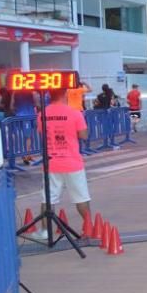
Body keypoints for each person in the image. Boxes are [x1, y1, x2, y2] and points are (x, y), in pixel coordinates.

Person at [38, 88, 92, 230]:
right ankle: (89, 228)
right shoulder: (75, 113)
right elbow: (84, 135)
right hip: (72, 162)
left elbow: (41, 132)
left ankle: (45, 231)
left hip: (51, 163)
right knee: (81, 197)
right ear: (65, 94)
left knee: (48, 199)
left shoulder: (42, 114)